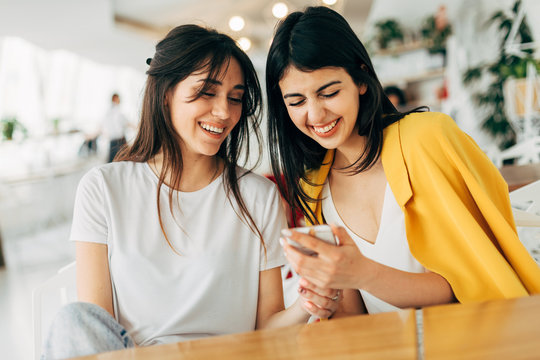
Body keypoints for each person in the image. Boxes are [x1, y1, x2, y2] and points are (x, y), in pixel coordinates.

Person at [42, 24, 338, 359]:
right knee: (74, 319)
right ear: (165, 92)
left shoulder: (258, 197)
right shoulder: (104, 189)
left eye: (236, 98)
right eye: (207, 93)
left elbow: (265, 329)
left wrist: (306, 305)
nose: (224, 112)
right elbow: (98, 333)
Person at [265, 6, 540, 316]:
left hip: (477, 334)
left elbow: (472, 280)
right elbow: (358, 315)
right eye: (296, 101)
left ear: (361, 79)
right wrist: (325, 298)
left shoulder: (427, 138)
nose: (315, 115)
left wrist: (362, 272)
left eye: (328, 92)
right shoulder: (314, 186)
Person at [102, 93, 129, 162]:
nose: (120, 100)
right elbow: (125, 122)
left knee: (112, 162)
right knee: (125, 161)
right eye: (118, 98)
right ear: (115, 99)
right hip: (120, 140)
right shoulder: (117, 111)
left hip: (113, 141)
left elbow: (104, 126)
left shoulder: (108, 112)